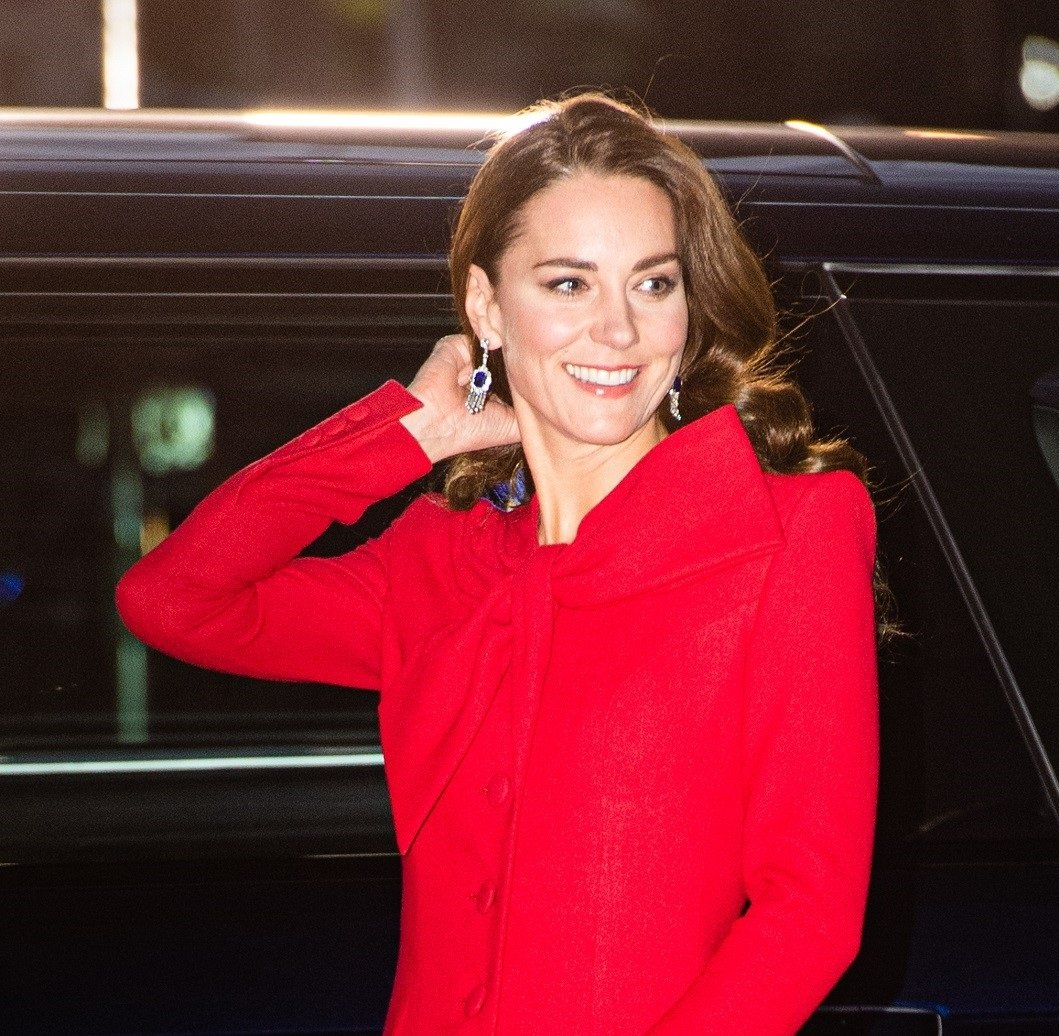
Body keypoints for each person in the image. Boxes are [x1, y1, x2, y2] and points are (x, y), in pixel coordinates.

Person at [115, 92, 880, 1035]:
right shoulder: (437, 560)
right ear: (486, 304)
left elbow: (811, 913)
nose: (620, 331)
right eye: (568, 284)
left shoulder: (785, 534)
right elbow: (172, 598)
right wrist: (402, 435)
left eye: (653, 283)